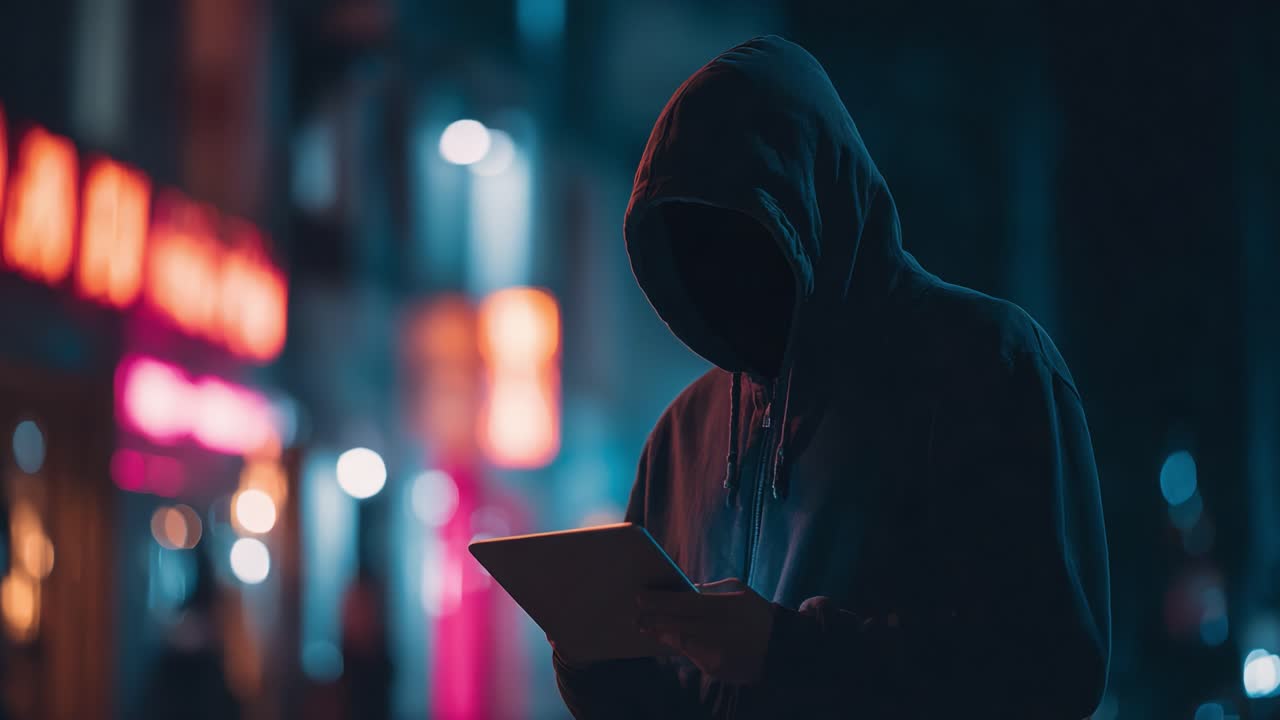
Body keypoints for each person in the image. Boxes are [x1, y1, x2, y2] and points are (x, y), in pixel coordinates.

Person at [550, 35, 1110, 719]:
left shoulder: (985, 362)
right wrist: (589, 660)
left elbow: (1047, 670)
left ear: (813, 205)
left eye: (737, 234)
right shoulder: (683, 436)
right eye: (687, 242)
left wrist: (783, 651)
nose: (716, 271)